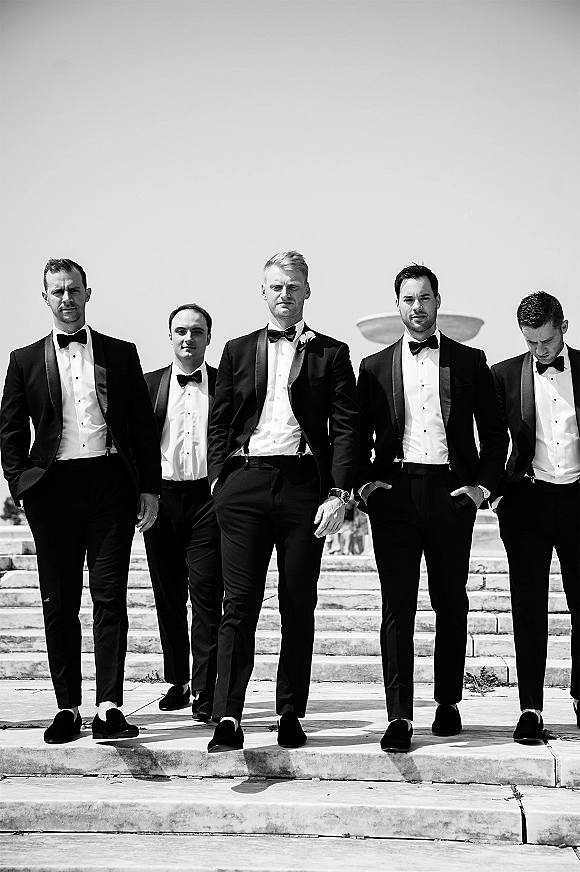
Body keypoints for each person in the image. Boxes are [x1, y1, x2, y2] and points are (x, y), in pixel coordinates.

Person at [0, 258, 161, 744]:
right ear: (45, 298)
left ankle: (109, 707)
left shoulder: (121, 353)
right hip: (52, 491)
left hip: (110, 485)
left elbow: (141, 425)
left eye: (74, 290)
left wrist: (149, 487)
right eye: (58, 291)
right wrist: (21, 486)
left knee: (110, 599)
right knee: (59, 602)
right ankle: (67, 707)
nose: (67, 299)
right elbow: (10, 431)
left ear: (88, 293)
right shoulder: (24, 360)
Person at [206, 250, 359, 752]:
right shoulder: (235, 350)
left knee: (298, 603)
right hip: (244, 484)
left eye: (293, 286)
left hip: (302, 487)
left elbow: (346, 430)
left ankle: (290, 712)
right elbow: (220, 420)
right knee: (239, 604)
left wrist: (338, 493)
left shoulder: (332, 353)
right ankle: (228, 717)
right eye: (276, 286)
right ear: (263, 292)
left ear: (307, 291)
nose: (284, 294)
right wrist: (219, 481)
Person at [356, 263, 507, 753]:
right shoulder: (373, 366)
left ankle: (448, 702)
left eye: (424, 298)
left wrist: (481, 489)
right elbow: (353, 436)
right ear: (397, 305)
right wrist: (366, 487)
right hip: (395, 495)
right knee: (396, 607)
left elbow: (495, 434)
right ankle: (399, 716)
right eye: (408, 299)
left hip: (450, 494)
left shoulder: (470, 360)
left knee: (451, 601)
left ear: (438, 301)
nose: (416, 307)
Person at [491, 291, 579, 742]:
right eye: (531, 343)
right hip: (527, 503)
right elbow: (489, 440)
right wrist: (494, 493)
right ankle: (530, 708)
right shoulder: (504, 374)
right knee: (528, 609)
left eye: (546, 341)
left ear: (563, 327)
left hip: (579, 501)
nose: (540, 350)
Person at [143, 303, 222, 721]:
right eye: (181, 331)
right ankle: (179, 680)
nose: (188, 338)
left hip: (208, 499)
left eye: (196, 331)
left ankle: (206, 687)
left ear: (209, 337)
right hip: (161, 500)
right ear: (170, 336)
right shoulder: (149, 384)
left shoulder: (225, 384)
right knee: (168, 595)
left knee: (207, 594)